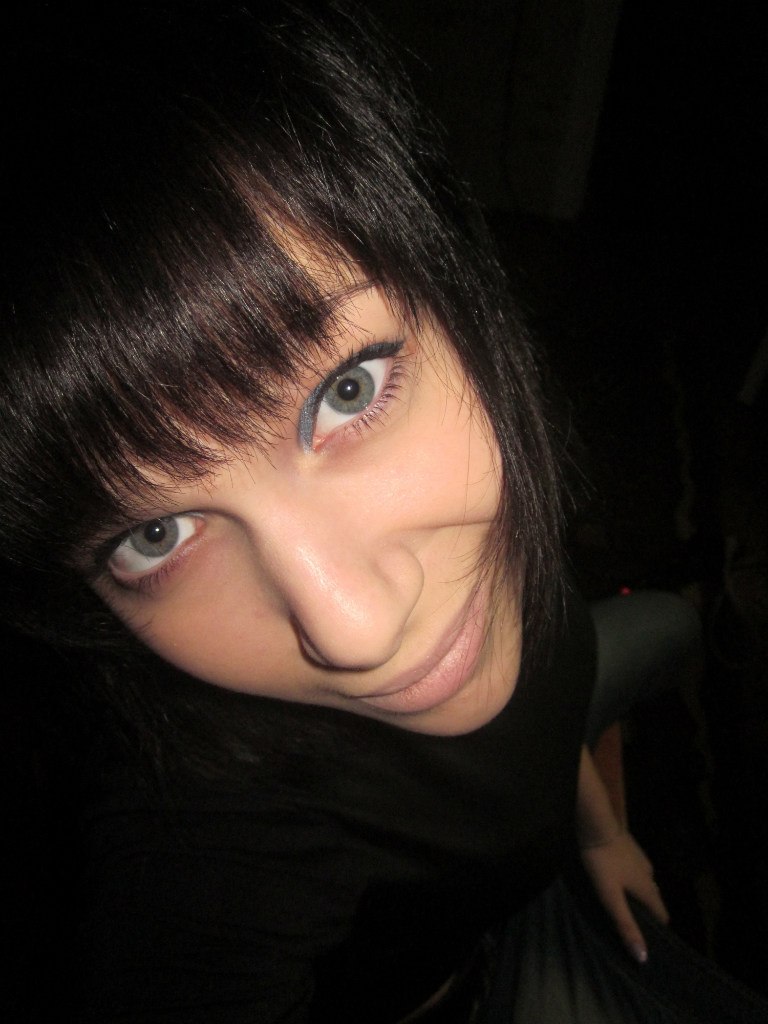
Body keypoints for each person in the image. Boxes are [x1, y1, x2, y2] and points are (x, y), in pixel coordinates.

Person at [1, 3, 765, 1021]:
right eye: (155, 537)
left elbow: (543, 698)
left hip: (563, 786)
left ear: (455, 286)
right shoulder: (209, 845)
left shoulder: (496, 491)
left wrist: (599, 832)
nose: (354, 630)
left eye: (346, 391)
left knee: (666, 624)